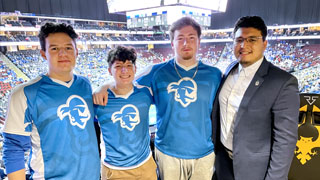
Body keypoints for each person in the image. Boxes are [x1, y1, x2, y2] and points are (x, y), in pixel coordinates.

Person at [94, 17, 222, 180]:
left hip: (203, 154)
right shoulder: (156, 72)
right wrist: (103, 86)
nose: (186, 43)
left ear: (199, 41)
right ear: (172, 43)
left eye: (191, 38)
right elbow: (124, 80)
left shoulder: (215, 75)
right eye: (180, 38)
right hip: (168, 154)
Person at [2, 22, 100, 179]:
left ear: (76, 52)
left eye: (68, 48)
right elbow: (14, 148)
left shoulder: (86, 84)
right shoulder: (25, 94)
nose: (63, 53)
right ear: (43, 53)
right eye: (54, 48)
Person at [211, 16, 299, 180]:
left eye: (252, 39)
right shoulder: (229, 69)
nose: (244, 45)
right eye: (239, 40)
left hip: (254, 171)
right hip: (222, 163)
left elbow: (285, 140)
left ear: (264, 44)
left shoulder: (283, 82)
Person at [95, 45, 157, 180]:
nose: (124, 70)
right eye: (118, 66)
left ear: (135, 69)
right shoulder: (99, 99)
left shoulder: (145, 93)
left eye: (129, 65)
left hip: (145, 166)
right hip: (115, 171)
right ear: (109, 70)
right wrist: (103, 87)